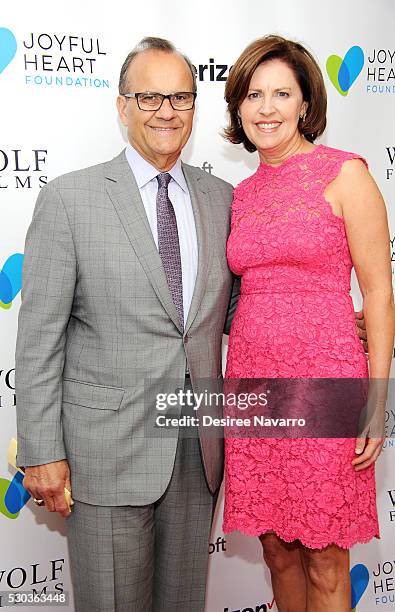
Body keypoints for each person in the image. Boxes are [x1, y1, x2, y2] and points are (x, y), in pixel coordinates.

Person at [15, 36, 238, 612]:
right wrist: (42, 451)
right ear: (122, 106)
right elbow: (40, 338)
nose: (167, 111)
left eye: (181, 97)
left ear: (195, 106)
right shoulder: (71, 199)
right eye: (150, 97)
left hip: (197, 450)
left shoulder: (222, 199)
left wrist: (326, 315)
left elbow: (233, 310)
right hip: (104, 451)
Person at [222, 35, 395, 612]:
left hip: (327, 386)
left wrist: (375, 401)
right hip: (251, 386)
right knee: (276, 549)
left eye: (280, 93)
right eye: (253, 94)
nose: (265, 108)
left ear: (304, 103)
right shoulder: (241, 195)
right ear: (238, 107)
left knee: (325, 559)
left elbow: (377, 292)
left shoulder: (346, 174)